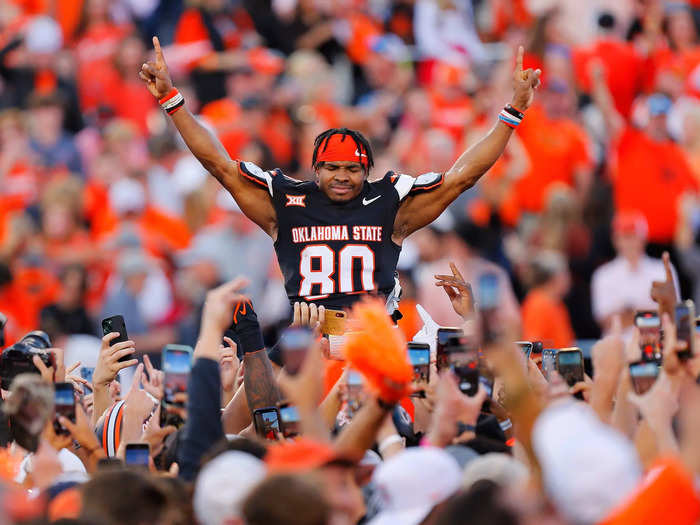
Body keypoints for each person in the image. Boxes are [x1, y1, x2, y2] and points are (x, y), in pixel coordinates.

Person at [138, 38, 541, 314]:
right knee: (257, 409)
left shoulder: (390, 205)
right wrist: (172, 100)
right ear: (316, 170)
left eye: (352, 169)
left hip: (374, 342)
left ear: (367, 170)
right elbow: (219, 166)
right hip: (306, 342)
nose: (342, 177)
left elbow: (461, 178)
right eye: (332, 167)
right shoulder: (287, 203)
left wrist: (513, 113)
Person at [591, 212, 679, 335]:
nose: (629, 243)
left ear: (643, 238)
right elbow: (606, 320)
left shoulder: (662, 269)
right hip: (620, 348)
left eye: (632, 236)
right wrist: (654, 312)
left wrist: (629, 312)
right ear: (615, 240)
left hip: (657, 345)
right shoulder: (603, 275)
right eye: (624, 237)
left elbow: (673, 313)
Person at [521, 250, 575, 348]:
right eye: (565, 274)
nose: (569, 278)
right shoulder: (537, 304)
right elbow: (533, 347)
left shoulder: (556, 304)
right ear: (553, 278)